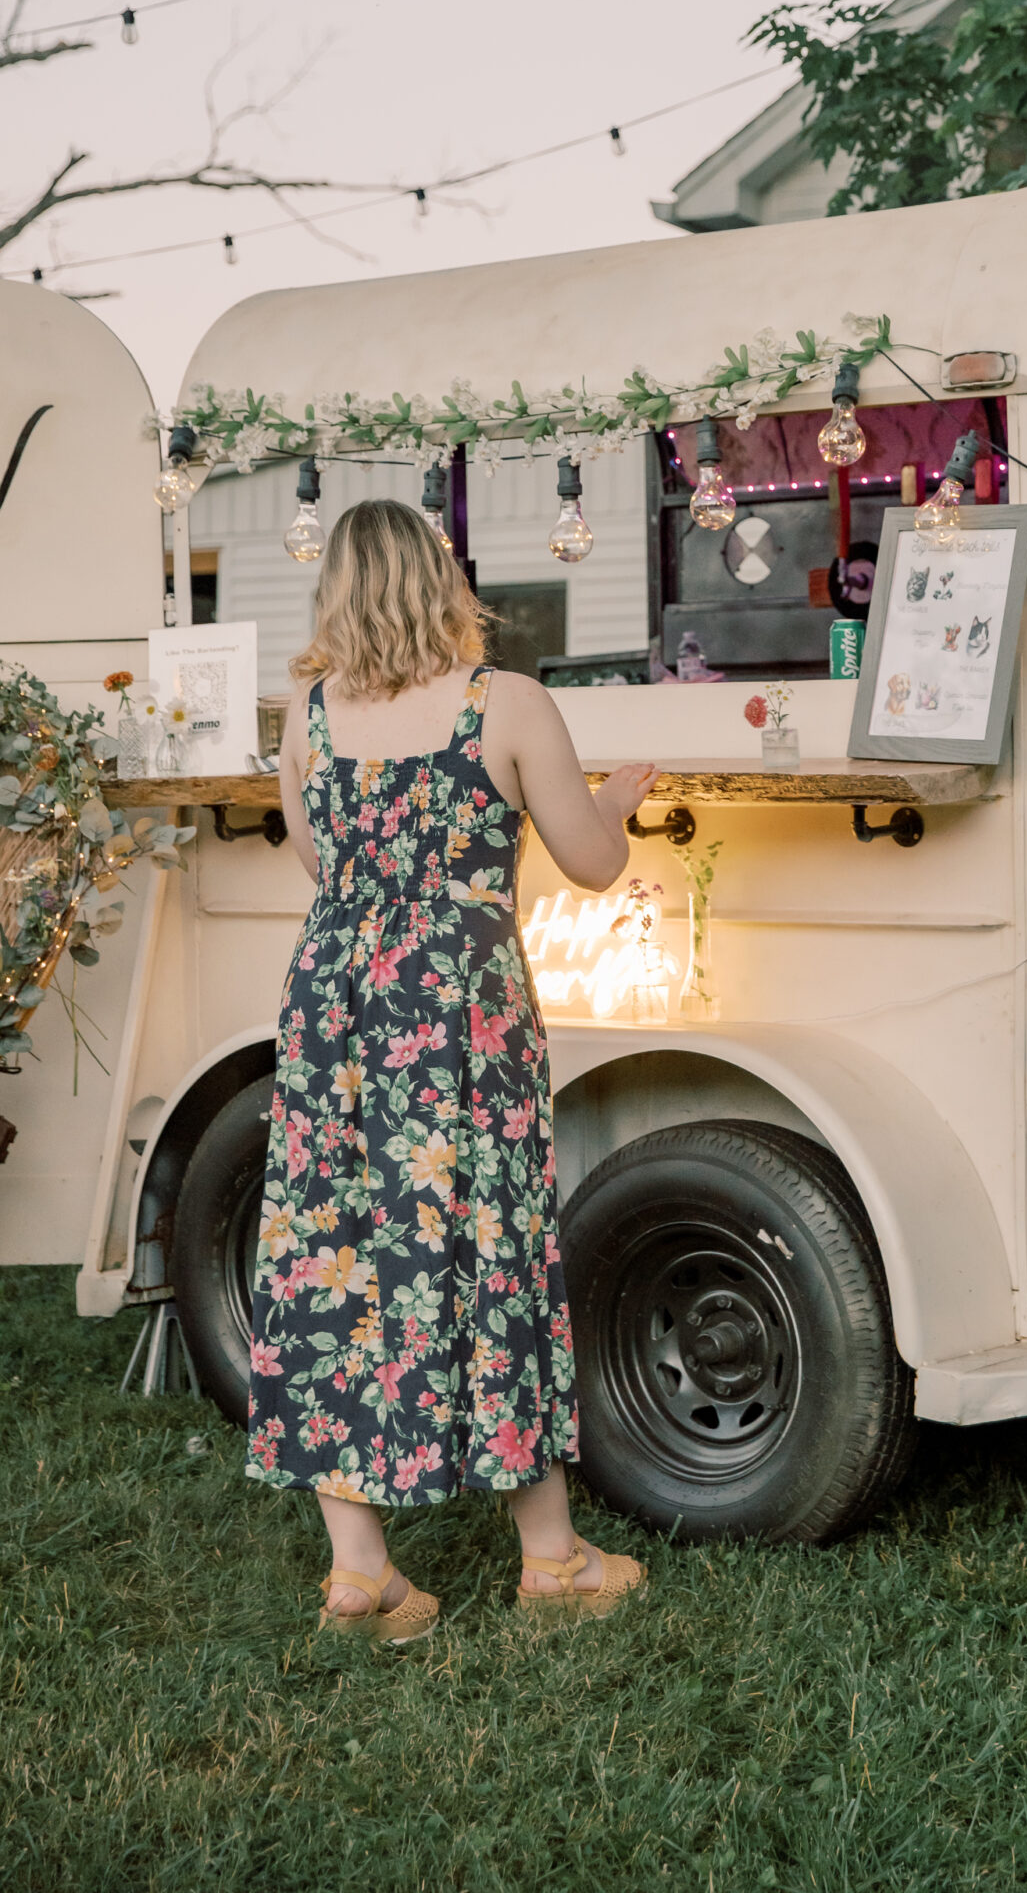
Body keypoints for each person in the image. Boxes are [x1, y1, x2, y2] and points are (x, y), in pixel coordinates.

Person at [245, 498, 658, 1640]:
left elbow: (314, 855)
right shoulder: (506, 703)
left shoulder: (310, 716)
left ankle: (361, 1575)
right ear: (443, 582)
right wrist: (612, 806)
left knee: (332, 1252)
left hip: (333, 1008)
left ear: (334, 592)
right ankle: (551, 1558)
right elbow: (587, 862)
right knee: (490, 1247)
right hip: (459, 1015)